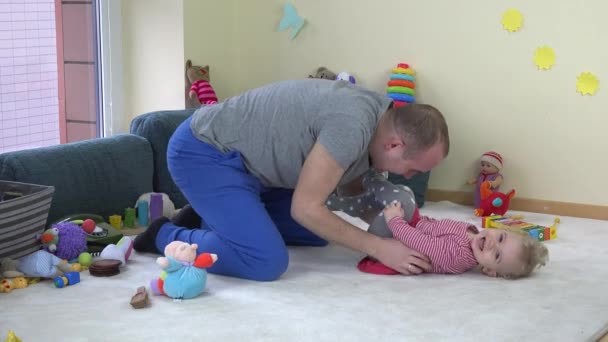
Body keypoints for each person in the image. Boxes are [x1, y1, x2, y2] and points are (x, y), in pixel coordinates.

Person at [133, 78, 450, 281]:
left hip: (256, 173)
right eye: (413, 169)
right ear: (394, 145)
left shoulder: (378, 123)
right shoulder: (352, 126)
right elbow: (306, 207)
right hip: (204, 153)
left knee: (315, 234)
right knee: (265, 261)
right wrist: (381, 248)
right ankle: (164, 234)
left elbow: (350, 191)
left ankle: (206, 216)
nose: (408, 177)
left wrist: (406, 231)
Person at [358, 201, 549, 278]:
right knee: (404, 201)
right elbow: (436, 226)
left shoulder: (458, 256)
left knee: (402, 199)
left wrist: (395, 221)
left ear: (489, 270)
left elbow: (419, 242)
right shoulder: (472, 233)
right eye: (500, 237)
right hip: (409, 228)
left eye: (497, 255)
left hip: (396, 240)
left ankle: (357, 190)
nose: (492, 244)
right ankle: (360, 189)